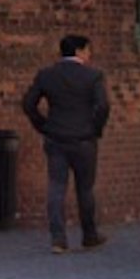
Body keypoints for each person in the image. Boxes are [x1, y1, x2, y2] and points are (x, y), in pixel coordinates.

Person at [22, 32, 111, 251]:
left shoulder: (47, 75)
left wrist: (43, 125)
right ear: (80, 51)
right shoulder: (93, 76)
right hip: (84, 139)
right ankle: (89, 235)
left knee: (56, 186)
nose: (90, 55)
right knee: (85, 189)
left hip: (56, 138)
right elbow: (103, 106)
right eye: (88, 50)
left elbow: (28, 104)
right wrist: (95, 128)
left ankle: (58, 239)